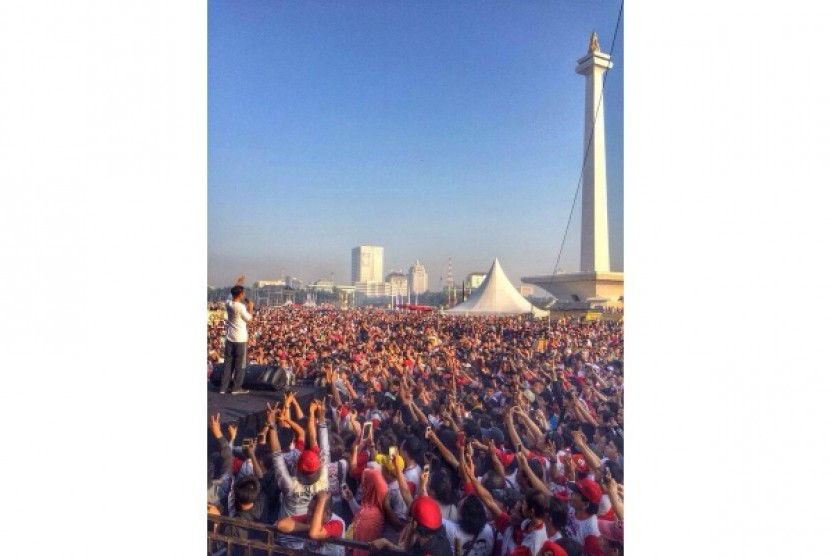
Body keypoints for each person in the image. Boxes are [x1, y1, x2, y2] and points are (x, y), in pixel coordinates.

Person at [220, 275, 253, 394]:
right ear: (239, 294)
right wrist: (251, 308)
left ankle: (223, 388)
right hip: (240, 338)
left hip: (230, 337)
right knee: (239, 364)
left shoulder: (228, 303)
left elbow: (230, 294)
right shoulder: (240, 307)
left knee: (228, 363)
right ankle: (236, 388)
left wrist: (236, 283)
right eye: (243, 293)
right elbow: (249, 319)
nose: (244, 294)